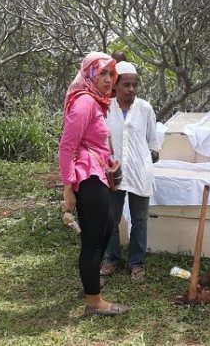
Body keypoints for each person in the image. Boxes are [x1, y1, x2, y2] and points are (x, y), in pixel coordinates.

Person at [59, 51, 129, 316]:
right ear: (89, 73)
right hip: (87, 177)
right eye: (103, 73)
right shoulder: (85, 102)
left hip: (96, 172)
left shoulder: (95, 102)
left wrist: (109, 160)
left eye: (112, 74)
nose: (109, 79)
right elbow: (66, 147)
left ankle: (89, 285)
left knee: (106, 226)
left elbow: (92, 141)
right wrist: (68, 189)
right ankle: (94, 302)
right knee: (93, 240)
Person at [99, 61, 161, 281]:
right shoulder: (105, 107)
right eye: (126, 85)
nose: (131, 90)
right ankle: (112, 258)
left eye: (135, 85)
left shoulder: (144, 108)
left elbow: (153, 142)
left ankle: (137, 262)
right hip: (113, 173)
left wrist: (146, 158)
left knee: (140, 220)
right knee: (110, 218)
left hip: (140, 171)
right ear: (115, 85)